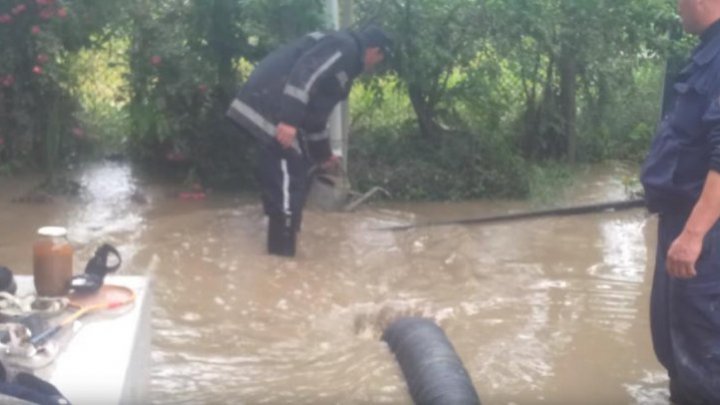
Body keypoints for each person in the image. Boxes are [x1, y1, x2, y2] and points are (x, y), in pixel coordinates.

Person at [227, 26, 392, 257]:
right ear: (374, 50)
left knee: (298, 171)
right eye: (379, 58)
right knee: (289, 178)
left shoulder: (346, 65)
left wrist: (323, 155)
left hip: (278, 110)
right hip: (271, 107)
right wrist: (289, 120)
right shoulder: (345, 47)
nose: (375, 64)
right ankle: (281, 265)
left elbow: (316, 117)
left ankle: (282, 251)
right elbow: (306, 72)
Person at [641, 0, 720, 402]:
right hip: (685, 224)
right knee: (674, 340)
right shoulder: (708, 50)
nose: (677, 7)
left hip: (704, 233)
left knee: (701, 347)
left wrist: (693, 234)